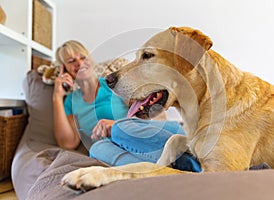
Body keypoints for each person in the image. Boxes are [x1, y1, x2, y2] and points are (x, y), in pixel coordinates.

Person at [53, 40, 201, 172]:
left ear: (90, 61)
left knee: (119, 130)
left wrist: (117, 126)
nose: (79, 63)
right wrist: (57, 97)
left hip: (150, 136)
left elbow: (158, 116)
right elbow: (68, 143)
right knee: (97, 148)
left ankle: (185, 159)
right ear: (64, 69)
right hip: (114, 147)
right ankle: (177, 167)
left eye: (83, 57)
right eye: (71, 61)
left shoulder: (113, 83)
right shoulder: (70, 102)